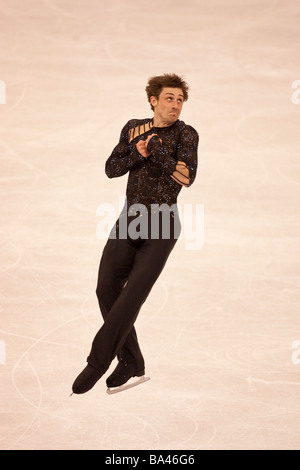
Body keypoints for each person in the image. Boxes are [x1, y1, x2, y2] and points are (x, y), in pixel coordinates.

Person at [72, 73, 199, 394]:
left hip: (163, 223)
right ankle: (132, 361)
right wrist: (139, 153)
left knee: (132, 296)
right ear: (153, 100)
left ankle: (98, 361)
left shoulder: (187, 134)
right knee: (106, 289)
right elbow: (111, 169)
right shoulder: (134, 128)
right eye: (169, 98)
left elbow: (186, 177)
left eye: (180, 100)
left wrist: (158, 153)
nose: (175, 105)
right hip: (129, 219)